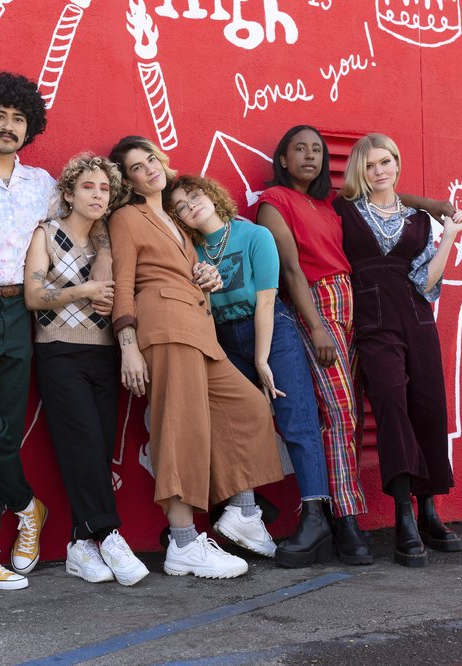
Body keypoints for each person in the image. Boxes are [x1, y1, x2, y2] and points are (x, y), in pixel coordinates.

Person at [0, 72, 109, 590]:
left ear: (29, 126)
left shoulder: (42, 186)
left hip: (22, 313)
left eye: (18, 118)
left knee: (6, 433)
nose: (8, 126)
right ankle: (27, 505)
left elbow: (85, 229)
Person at [255, 125, 454, 565]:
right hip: (322, 307)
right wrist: (318, 327)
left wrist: (434, 206)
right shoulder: (275, 202)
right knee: (345, 411)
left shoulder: (329, 203)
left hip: (358, 309)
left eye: (317, 150)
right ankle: (346, 518)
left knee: (379, 405)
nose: (310, 156)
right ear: (282, 159)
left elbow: (387, 199)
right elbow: (290, 269)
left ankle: (389, 516)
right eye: (299, 149)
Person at [108, 136, 284, 579]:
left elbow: (183, 266)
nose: (149, 169)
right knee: (180, 429)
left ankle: (243, 511)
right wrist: (128, 344)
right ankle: (184, 542)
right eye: (136, 167)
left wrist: (203, 273)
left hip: (199, 330)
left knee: (246, 407)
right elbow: (124, 281)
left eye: (151, 159)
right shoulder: (129, 217)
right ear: (127, 182)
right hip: (163, 327)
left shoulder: (176, 222)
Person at [165, 175, 333, 568]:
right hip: (223, 337)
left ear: (212, 193)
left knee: (296, 418)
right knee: (233, 422)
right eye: (182, 206)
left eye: (195, 196)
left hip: (271, 332)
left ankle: (314, 516)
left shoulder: (254, 235)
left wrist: (261, 361)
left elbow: (265, 302)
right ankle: (245, 511)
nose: (192, 206)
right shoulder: (189, 250)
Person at [336, 132, 462, 567]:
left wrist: (447, 235)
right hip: (373, 324)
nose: (379, 171)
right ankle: (403, 516)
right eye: (370, 165)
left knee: (428, 408)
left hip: (418, 318)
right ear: (360, 169)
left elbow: (426, 283)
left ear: (397, 162)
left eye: (385, 162)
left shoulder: (418, 221)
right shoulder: (345, 212)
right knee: (391, 406)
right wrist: (430, 200)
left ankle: (430, 509)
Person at [22, 153, 149, 586]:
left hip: (104, 354)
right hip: (58, 350)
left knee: (94, 450)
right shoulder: (47, 233)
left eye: (104, 189)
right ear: (69, 193)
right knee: (82, 441)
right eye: (88, 187)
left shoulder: (107, 239)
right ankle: (110, 533)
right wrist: (86, 289)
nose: (97, 195)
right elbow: (34, 297)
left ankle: (80, 543)